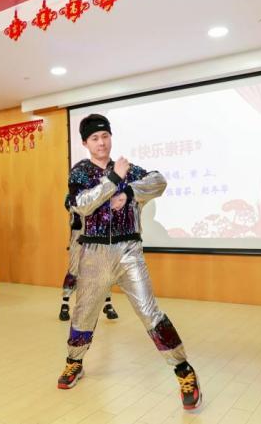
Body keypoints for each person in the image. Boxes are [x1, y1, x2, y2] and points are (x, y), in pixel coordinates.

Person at [57, 114, 201, 410]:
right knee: (84, 312)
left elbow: (159, 181)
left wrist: (128, 191)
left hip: (128, 251)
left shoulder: (128, 169)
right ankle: (74, 362)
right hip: (93, 253)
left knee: (150, 311)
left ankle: (183, 369)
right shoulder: (81, 172)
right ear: (85, 143)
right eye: (95, 138)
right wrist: (113, 181)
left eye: (105, 136)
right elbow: (82, 205)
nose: (101, 142)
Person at [59, 194, 118, 321]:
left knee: (103, 270)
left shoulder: (99, 193)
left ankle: (108, 304)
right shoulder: (73, 195)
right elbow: (73, 207)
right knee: (74, 270)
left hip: (96, 236)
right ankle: (65, 304)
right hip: (78, 238)